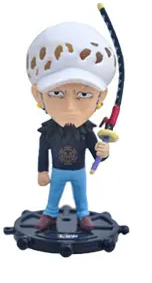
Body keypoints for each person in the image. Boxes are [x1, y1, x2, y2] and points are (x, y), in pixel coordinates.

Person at [26, 22, 115, 231]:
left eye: (84, 94)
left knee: (81, 195)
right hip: (57, 170)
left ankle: (84, 215)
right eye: (57, 93)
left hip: (79, 171)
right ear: (38, 95)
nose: (70, 108)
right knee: (54, 194)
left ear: (100, 97)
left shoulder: (86, 132)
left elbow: (95, 152)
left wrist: (103, 152)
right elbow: (43, 152)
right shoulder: (48, 132)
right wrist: (42, 171)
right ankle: (50, 213)